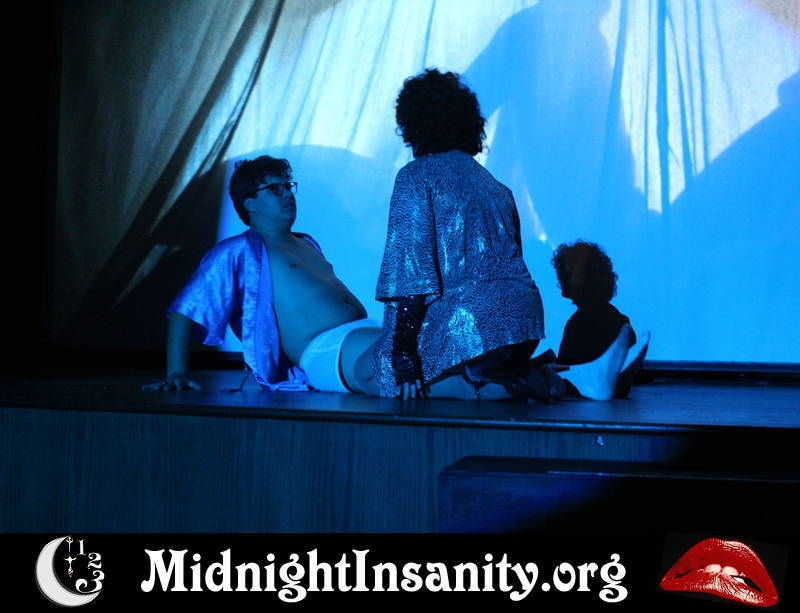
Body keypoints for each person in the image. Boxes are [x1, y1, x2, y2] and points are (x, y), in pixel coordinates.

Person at [372, 69, 634, 401]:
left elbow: (410, 272)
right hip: (523, 322)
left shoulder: (415, 176)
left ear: (411, 123)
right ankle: (565, 374)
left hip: (471, 324)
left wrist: (404, 356)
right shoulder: (496, 187)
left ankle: (561, 383)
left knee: (387, 378)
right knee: (479, 366)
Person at [145, 155, 382, 393]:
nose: (287, 194)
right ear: (250, 203)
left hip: (366, 333)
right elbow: (185, 310)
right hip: (330, 349)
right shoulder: (238, 250)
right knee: (391, 362)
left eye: (288, 187)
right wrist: (176, 372)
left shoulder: (307, 242)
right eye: (275, 189)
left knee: (403, 351)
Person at [552, 240, 650, 397]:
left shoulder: (577, 324)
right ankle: (610, 375)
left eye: (570, 275)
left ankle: (596, 376)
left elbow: (566, 364)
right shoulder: (618, 319)